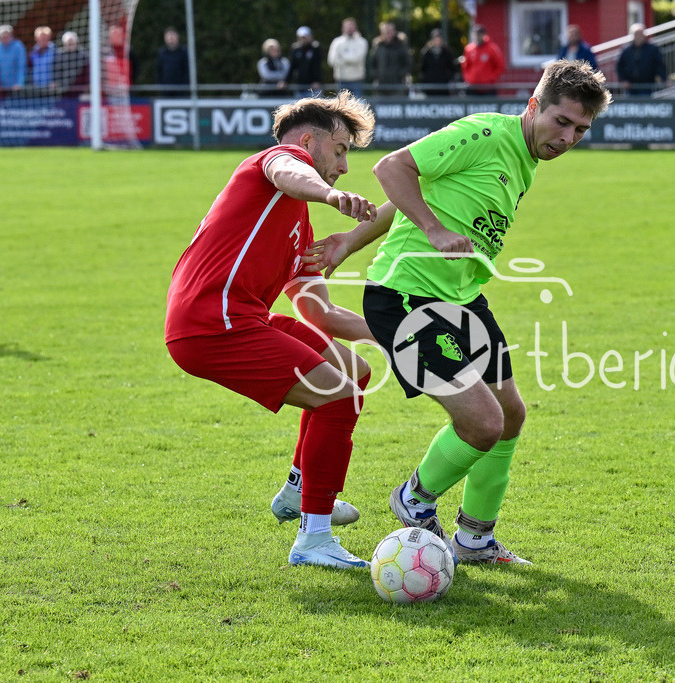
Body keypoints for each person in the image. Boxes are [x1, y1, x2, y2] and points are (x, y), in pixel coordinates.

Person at [305, 60, 613, 566]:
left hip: (461, 298)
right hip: (405, 298)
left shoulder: (527, 159)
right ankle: (415, 499)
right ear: (534, 106)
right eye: (561, 121)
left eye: (580, 129)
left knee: (511, 414)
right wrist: (432, 231)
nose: (568, 137)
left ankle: (474, 538)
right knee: (484, 423)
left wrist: (350, 243)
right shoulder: (485, 133)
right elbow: (392, 168)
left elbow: (413, 194)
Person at [165, 94, 388, 570]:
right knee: (338, 397)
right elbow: (292, 172)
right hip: (211, 323)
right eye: (342, 149)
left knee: (354, 370)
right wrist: (328, 194)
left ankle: (298, 490)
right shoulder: (274, 163)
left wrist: (396, 333)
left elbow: (321, 314)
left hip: (241, 319)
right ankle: (315, 538)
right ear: (309, 142)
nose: (345, 167)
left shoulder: (298, 225)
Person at [616, 23, 667, 96]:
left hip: (647, 85)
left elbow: (659, 65)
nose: (639, 36)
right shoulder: (626, 50)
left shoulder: (652, 49)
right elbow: (619, 66)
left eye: (641, 34)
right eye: (637, 34)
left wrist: (664, 79)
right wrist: (624, 80)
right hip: (631, 87)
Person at [327, 17, 368, 98]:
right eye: (347, 26)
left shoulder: (362, 42)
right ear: (343, 28)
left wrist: (342, 57)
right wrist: (350, 59)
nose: (349, 29)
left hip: (357, 80)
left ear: (355, 27)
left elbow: (358, 59)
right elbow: (332, 61)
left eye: (351, 26)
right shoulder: (337, 42)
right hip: (341, 81)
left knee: (358, 106)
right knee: (341, 107)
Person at [368, 21, 412, 97]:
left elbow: (408, 64)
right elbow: (372, 64)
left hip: (398, 86)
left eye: (389, 31)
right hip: (381, 87)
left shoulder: (401, 46)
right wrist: (377, 76)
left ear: (394, 32)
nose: (387, 33)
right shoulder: (377, 47)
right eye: (385, 31)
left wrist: (400, 75)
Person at [460, 25, 505, 97]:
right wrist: (468, 79)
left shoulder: (492, 49)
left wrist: (490, 79)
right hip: (472, 88)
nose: (477, 37)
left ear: (484, 35)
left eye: (479, 34)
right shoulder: (469, 49)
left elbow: (500, 66)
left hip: (488, 88)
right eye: (475, 34)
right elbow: (465, 66)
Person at [419, 28, 457, 97]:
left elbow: (452, 68)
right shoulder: (426, 53)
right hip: (430, 87)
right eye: (436, 39)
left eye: (439, 38)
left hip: (444, 87)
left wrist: (447, 78)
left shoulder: (447, 52)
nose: (438, 41)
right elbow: (422, 69)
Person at [51, 30, 88, 95]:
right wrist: (55, 82)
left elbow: (87, 72)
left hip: (80, 90)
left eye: (72, 42)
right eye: (68, 43)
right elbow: (56, 71)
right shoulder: (59, 55)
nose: (70, 44)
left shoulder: (84, 55)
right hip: (64, 91)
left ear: (76, 42)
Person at [289, 26, 323, 97]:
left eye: (305, 37)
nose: (304, 39)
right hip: (300, 86)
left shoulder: (315, 49)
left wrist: (317, 80)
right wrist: (286, 81)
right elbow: (292, 66)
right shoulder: (295, 50)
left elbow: (317, 66)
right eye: (302, 37)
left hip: (313, 86)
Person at [156, 27, 189, 97]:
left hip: (181, 91)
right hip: (165, 90)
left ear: (177, 37)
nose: (171, 38)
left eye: (173, 35)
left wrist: (185, 85)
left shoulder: (184, 52)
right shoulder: (162, 53)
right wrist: (161, 86)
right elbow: (159, 70)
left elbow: (187, 70)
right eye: (168, 36)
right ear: (165, 38)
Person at [0, 24, 26, 92]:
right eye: (3, 35)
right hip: (2, 87)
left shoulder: (18, 46)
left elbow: (21, 67)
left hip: (16, 88)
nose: (5, 37)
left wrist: (19, 83)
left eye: (7, 34)